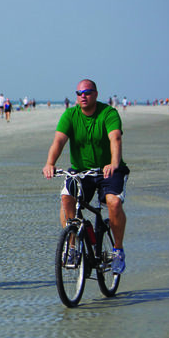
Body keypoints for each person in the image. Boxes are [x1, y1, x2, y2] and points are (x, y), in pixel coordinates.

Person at [42, 79, 129, 274]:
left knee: (113, 203)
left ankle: (118, 250)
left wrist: (114, 163)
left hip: (109, 170)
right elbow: (59, 141)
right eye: (79, 93)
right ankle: (72, 245)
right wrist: (50, 163)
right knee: (66, 198)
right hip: (81, 171)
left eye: (87, 92)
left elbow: (115, 138)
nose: (83, 96)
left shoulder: (108, 113)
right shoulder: (70, 115)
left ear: (96, 94)